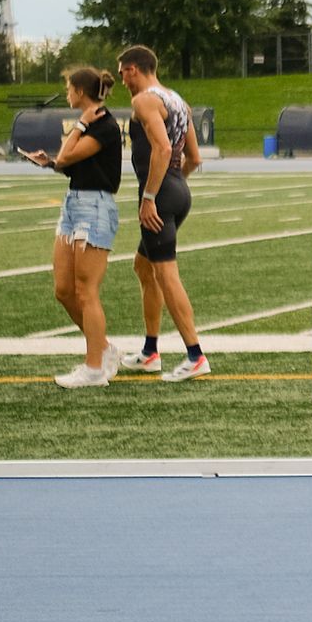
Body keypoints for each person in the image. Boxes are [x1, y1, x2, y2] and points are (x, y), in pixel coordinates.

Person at [23, 66, 123, 389]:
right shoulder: (91, 124)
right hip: (74, 203)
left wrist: (78, 127)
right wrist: (50, 162)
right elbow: (70, 164)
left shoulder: (102, 124)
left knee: (85, 290)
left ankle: (94, 368)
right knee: (64, 290)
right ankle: (104, 349)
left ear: (80, 91)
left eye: (69, 89)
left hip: (94, 207)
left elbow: (68, 157)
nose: (67, 94)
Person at [114, 46, 210, 382]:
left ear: (134, 69)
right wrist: (171, 186)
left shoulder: (144, 101)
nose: (121, 78)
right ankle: (150, 351)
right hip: (177, 190)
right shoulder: (177, 100)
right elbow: (194, 158)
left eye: (122, 71)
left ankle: (195, 354)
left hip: (160, 194)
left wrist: (152, 197)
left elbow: (164, 148)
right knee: (143, 267)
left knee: (166, 274)